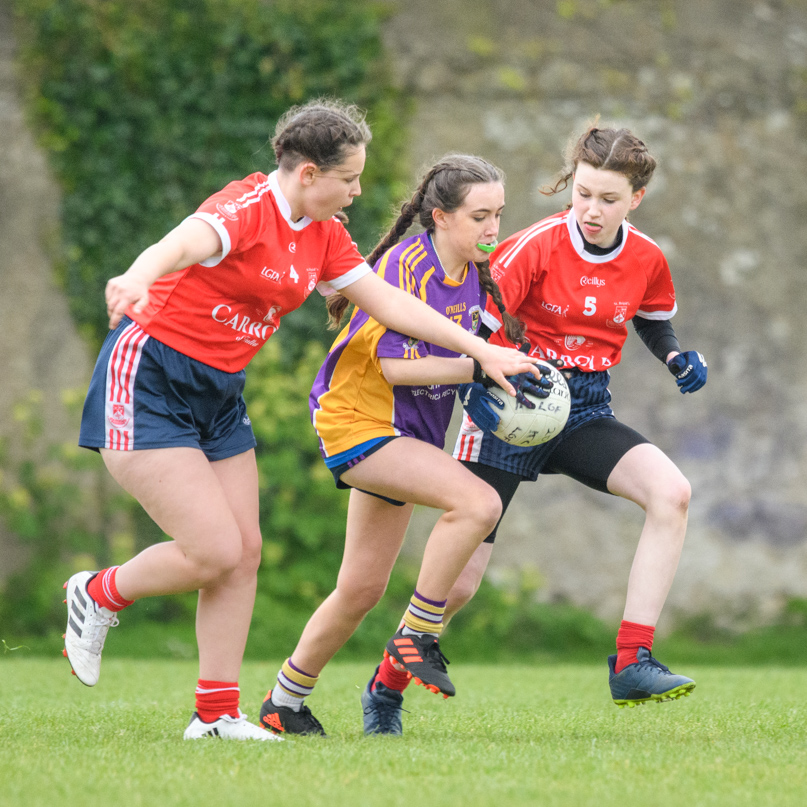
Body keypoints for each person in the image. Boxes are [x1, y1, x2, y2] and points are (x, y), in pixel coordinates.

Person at [63, 101, 538, 742]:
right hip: (150, 380)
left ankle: (217, 715)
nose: (359, 191)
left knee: (245, 555)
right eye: (349, 179)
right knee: (214, 550)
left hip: (219, 394)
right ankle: (99, 592)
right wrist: (138, 274)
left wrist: (481, 349)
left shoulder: (323, 234)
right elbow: (182, 241)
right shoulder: (244, 209)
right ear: (309, 173)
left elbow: (389, 303)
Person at [360, 124, 708, 734]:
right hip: (509, 404)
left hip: (584, 409)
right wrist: (485, 389)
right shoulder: (534, 247)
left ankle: (633, 660)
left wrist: (676, 355)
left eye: (608, 199)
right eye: (582, 194)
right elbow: (478, 330)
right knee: (460, 585)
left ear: (636, 200)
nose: (592, 210)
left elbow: (652, 318)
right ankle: (385, 689)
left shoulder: (647, 257)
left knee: (671, 493)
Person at [255, 155, 552, 737]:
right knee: (477, 504)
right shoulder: (405, 264)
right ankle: (416, 634)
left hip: (406, 433)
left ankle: (282, 703)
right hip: (359, 421)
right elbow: (394, 368)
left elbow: (469, 361)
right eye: (480, 216)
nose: (493, 228)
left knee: (361, 588)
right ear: (439, 216)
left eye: (499, 215)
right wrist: (477, 368)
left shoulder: (472, 271)